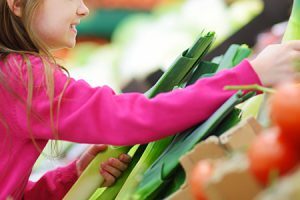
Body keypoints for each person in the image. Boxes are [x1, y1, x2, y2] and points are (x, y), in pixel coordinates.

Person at [0, 0, 299, 199]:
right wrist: (248, 74)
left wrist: (70, 176)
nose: (83, 9)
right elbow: (132, 118)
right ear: (17, 3)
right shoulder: (22, 76)